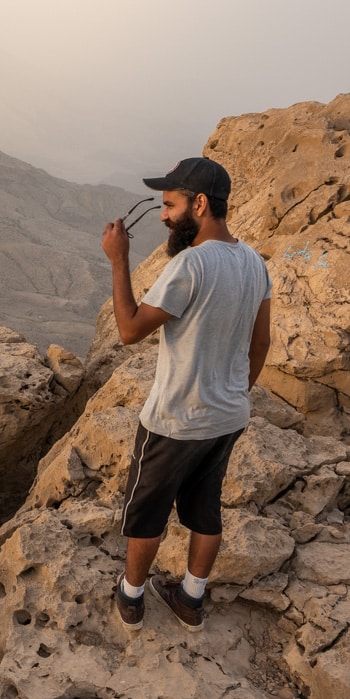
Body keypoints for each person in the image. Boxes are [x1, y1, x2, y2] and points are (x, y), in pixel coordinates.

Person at [101, 157, 273, 633]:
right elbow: (261, 343)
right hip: (228, 415)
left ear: (199, 204)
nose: (163, 215)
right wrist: (237, 392)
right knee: (205, 509)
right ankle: (191, 599)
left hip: (176, 419)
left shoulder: (191, 264)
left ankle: (132, 598)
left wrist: (119, 260)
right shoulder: (254, 261)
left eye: (170, 205)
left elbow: (130, 330)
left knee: (148, 512)